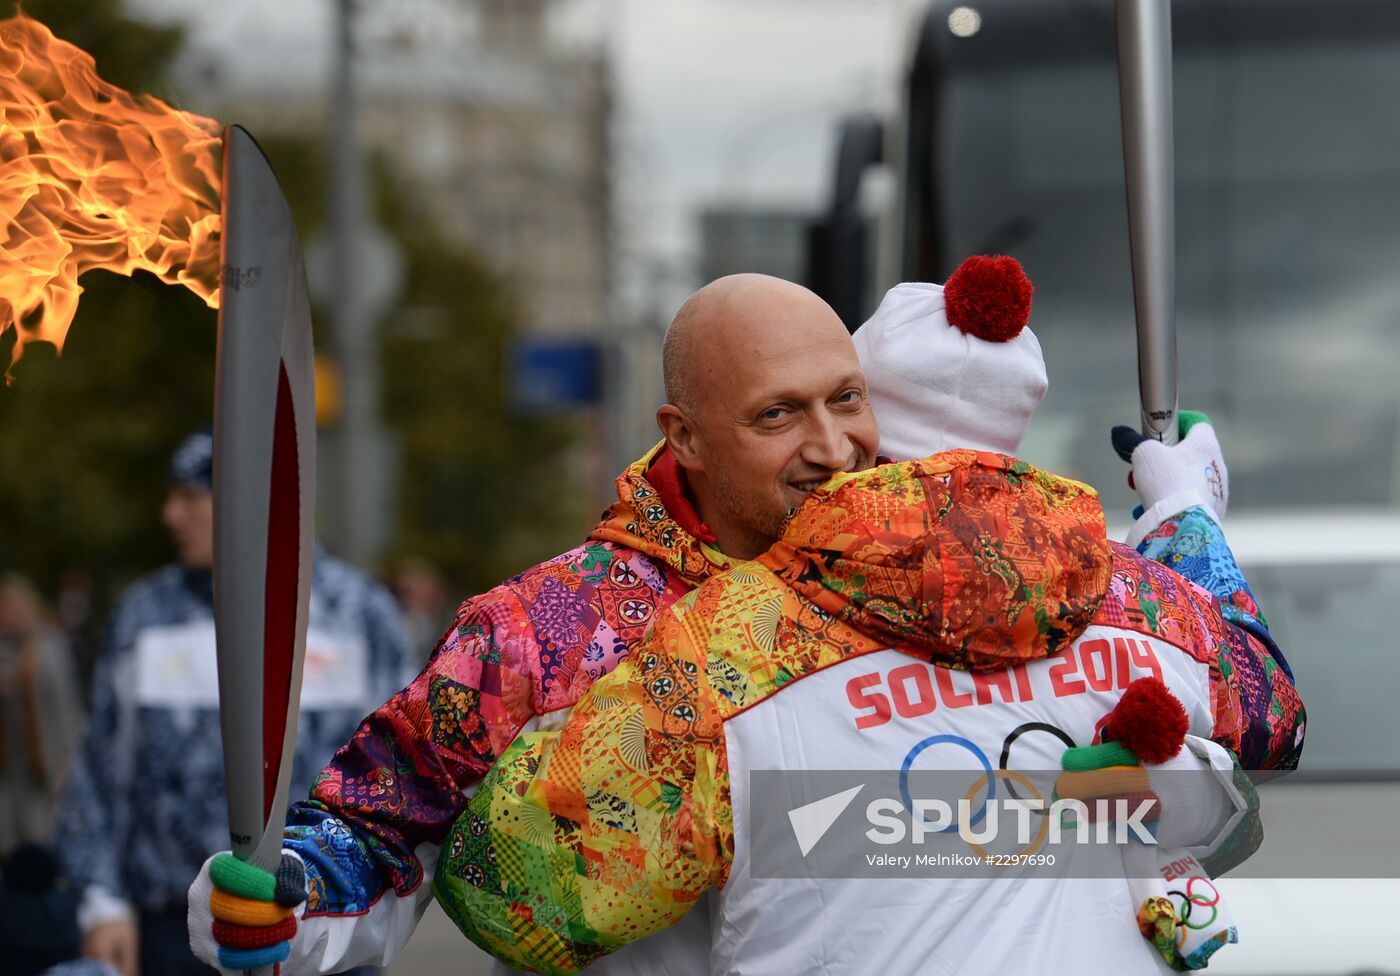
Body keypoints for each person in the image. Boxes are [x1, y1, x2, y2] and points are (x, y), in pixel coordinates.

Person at [189, 264, 1296, 973]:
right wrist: (284, 895)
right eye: (778, 415)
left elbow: (1248, 698)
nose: (831, 447)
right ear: (686, 436)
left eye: (845, 398)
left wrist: (1180, 525)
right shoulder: (558, 626)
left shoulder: (960, 577)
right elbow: (382, 821)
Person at [54, 432, 412, 976]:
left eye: (191, 498)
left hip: (316, 930)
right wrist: (102, 904)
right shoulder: (146, 617)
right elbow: (101, 776)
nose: (170, 515)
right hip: (172, 932)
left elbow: (403, 779)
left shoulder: (360, 616)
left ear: (251, 499)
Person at [0, 571, 83, 855]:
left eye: (14, 607)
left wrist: (68, 760)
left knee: (45, 835)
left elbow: (66, 707)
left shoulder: (49, 649)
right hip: (11, 765)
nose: (9, 615)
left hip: (46, 759)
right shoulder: (4, 652)